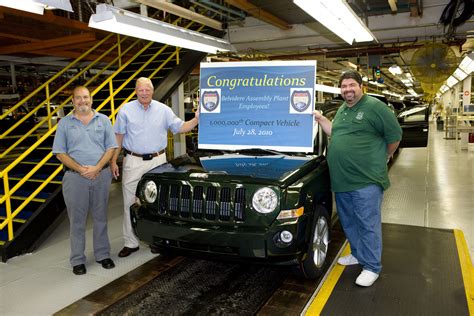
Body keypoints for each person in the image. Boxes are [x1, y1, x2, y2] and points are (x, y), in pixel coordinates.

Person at [313, 70, 402, 287]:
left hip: (366, 180)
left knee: (367, 223)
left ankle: (372, 266)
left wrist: (384, 156)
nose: (348, 90)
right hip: (342, 181)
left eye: (352, 85)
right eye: (344, 86)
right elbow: (336, 133)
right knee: (349, 222)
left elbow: (395, 136)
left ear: (361, 87)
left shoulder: (374, 107)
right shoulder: (343, 109)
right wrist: (321, 119)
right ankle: (357, 254)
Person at [111, 77, 199, 258]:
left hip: (158, 161)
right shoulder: (125, 110)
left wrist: (196, 119)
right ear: (136, 91)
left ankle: (156, 240)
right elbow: (118, 137)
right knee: (130, 201)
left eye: (147, 90)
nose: (144, 93)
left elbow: (180, 127)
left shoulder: (163, 110)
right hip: (133, 160)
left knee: (157, 203)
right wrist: (113, 160)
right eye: (140, 90)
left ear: (152, 90)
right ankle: (130, 242)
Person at [53, 86, 117, 275]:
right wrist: (81, 169)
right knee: (77, 221)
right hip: (75, 178)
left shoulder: (103, 120)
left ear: (91, 99)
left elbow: (111, 147)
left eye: (86, 97)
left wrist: (97, 168)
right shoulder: (65, 123)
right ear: (73, 101)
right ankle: (78, 260)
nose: (83, 101)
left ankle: (103, 254)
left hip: (101, 175)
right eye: (78, 98)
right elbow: (59, 153)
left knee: (101, 217)